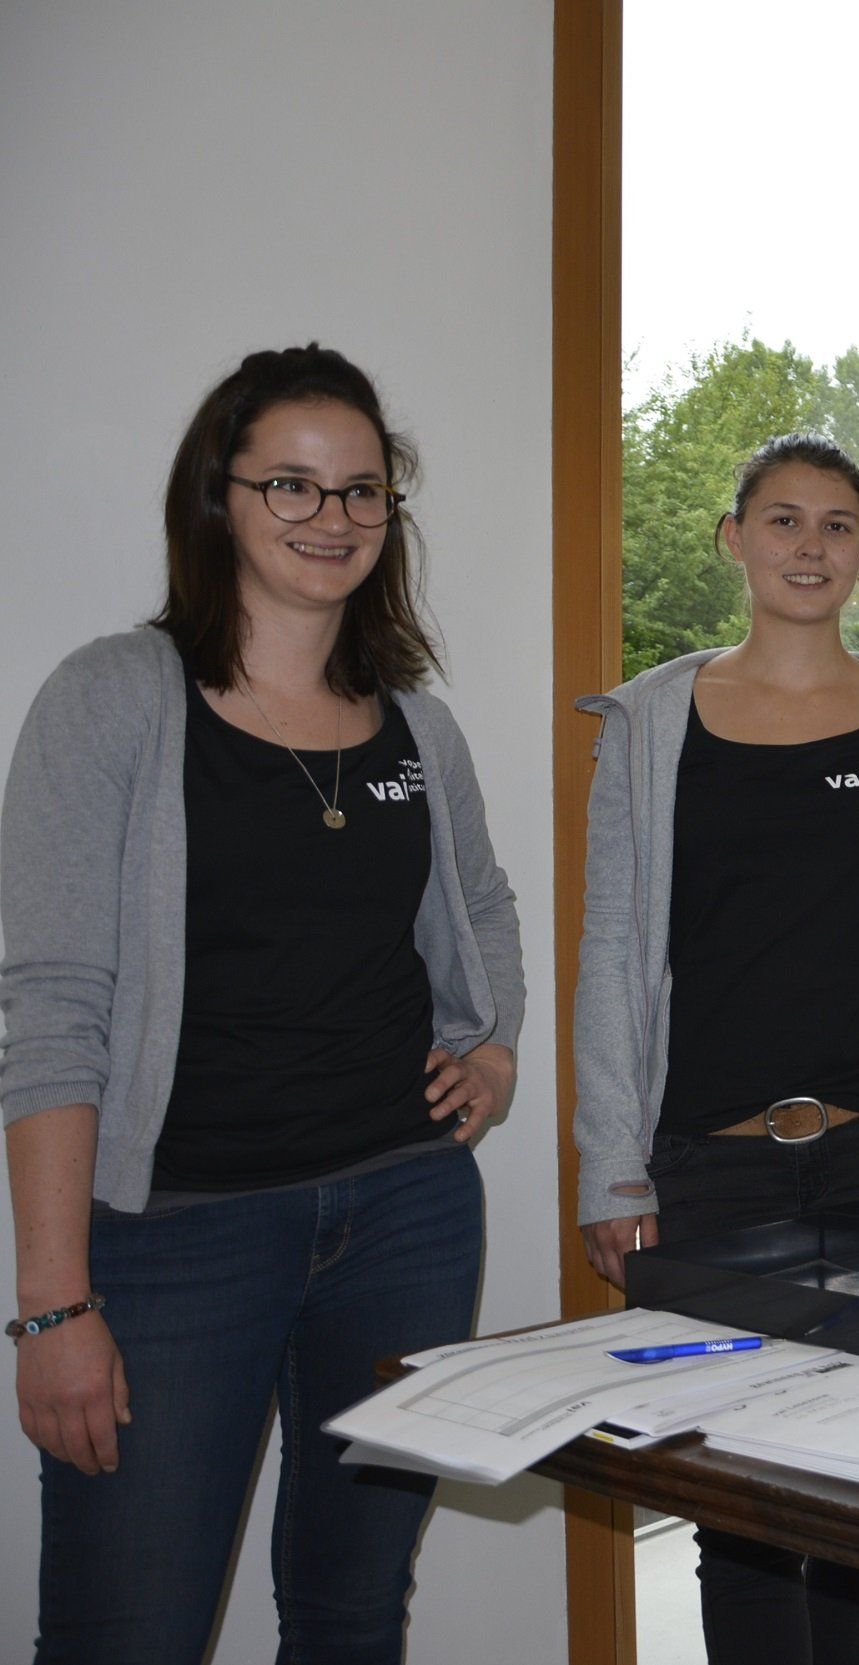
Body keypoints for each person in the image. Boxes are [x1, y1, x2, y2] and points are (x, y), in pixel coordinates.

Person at [0, 344, 524, 1663]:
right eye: (290, 483)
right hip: (177, 1238)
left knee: (355, 1615)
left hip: (405, 1215)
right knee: (129, 1634)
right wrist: (53, 1304)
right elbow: (52, 1007)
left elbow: (481, 900)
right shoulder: (113, 697)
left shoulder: (417, 726)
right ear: (217, 497)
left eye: (362, 490)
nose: (330, 516)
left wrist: (495, 1049)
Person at [572, 432, 859, 1665]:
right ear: (735, 540)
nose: (810, 546)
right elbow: (614, 948)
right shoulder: (653, 722)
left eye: (837, 525)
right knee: (743, 1500)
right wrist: (612, 1168)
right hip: (711, 1161)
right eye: (783, 520)